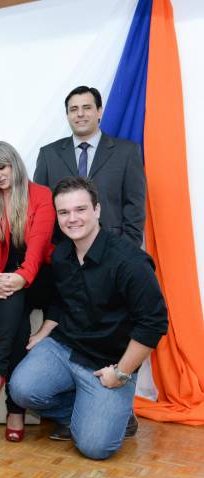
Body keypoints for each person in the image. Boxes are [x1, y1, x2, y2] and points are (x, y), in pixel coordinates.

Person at [10, 177, 167, 460]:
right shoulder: (61, 254)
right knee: (21, 389)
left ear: (97, 210)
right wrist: (44, 332)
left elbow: (153, 323)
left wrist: (121, 373)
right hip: (66, 347)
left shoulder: (130, 261)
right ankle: (85, 411)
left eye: (80, 209)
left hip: (108, 363)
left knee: (96, 447)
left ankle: (114, 415)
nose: (72, 219)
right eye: (64, 212)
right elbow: (59, 300)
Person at [0, 141, 55, 442]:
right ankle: (15, 410)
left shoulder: (41, 195)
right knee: (16, 315)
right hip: (6, 278)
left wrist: (23, 276)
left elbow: (39, 242)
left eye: (2, 167)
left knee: (15, 295)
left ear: (15, 164)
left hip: (39, 275)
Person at [34, 85, 146, 246]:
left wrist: (125, 251)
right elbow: (40, 209)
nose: (80, 114)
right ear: (67, 115)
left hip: (113, 248)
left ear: (99, 112)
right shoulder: (48, 155)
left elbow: (135, 207)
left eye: (86, 107)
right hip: (62, 251)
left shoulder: (127, 152)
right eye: (73, 109)